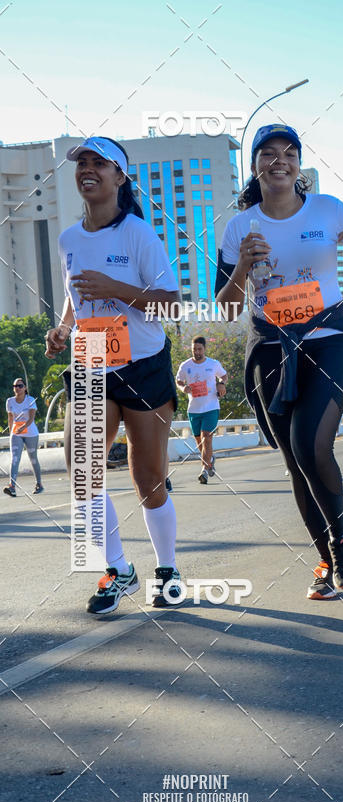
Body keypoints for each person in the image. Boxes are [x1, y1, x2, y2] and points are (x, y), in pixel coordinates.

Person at [214, 124, 343, 599]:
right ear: (254, 166)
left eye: (289, 153)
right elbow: (228, 307)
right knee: (296, 462)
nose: (280, 161)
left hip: (328, 339)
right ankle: (325, 559)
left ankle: (342, 542)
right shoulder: (238, 227)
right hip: (271, 347)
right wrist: (240, 268)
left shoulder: (327, 209)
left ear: (298, 164)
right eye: (268, 154)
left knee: (309, 444)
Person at [45, 136, 181, 614]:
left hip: (143, 364)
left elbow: (171, 302)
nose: (88, 169)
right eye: (82, 162)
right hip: (90, 358)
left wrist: (116, 289)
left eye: (98, 163)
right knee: (81, 470)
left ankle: (167, 568)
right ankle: (119, 569)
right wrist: (63, 328)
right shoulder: (67, 239)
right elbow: (74, 294)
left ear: (119, 177)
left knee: (148, 477)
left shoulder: (139, 235)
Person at [176, 335, 227, 484]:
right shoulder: (185, 365)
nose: (197, 352)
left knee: (207, 438)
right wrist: (182, 387)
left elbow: (224, 376)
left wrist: (221, 384)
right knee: (200, 442)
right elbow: (178, 380)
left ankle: (204, 470)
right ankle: (209, 459)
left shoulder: (213, 363)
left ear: (204, 349)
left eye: (199, 349)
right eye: (194, 349)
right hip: (194, 409)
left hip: (211, 407)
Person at [4, 378, 44, 497]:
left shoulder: (30, 400)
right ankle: (12, 486)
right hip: (16, 433)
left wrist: (24, 427)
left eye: (20, 386)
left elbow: (31, 418)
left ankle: (39, 484)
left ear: (25, 388)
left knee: (33, 459)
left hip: (30, 433)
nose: (17, 388)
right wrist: (12, 432)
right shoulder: (10, 401)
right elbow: (10, 418)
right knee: (15, 459)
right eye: (15, 386)